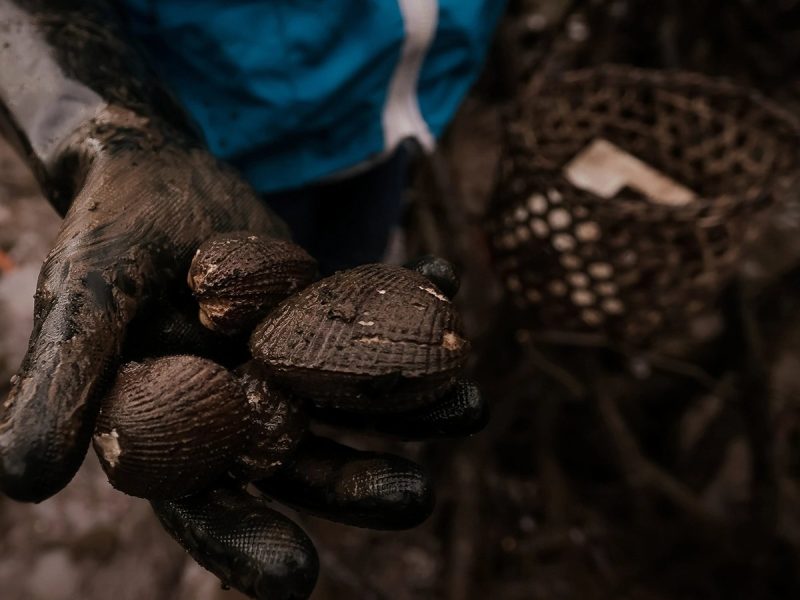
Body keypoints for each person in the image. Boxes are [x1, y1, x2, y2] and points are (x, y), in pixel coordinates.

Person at [0, 1, 504, 598]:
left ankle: (345, 386)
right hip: (202, 132)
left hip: (382, 121)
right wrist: (100, 111)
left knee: (341, 276)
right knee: (201, 315)